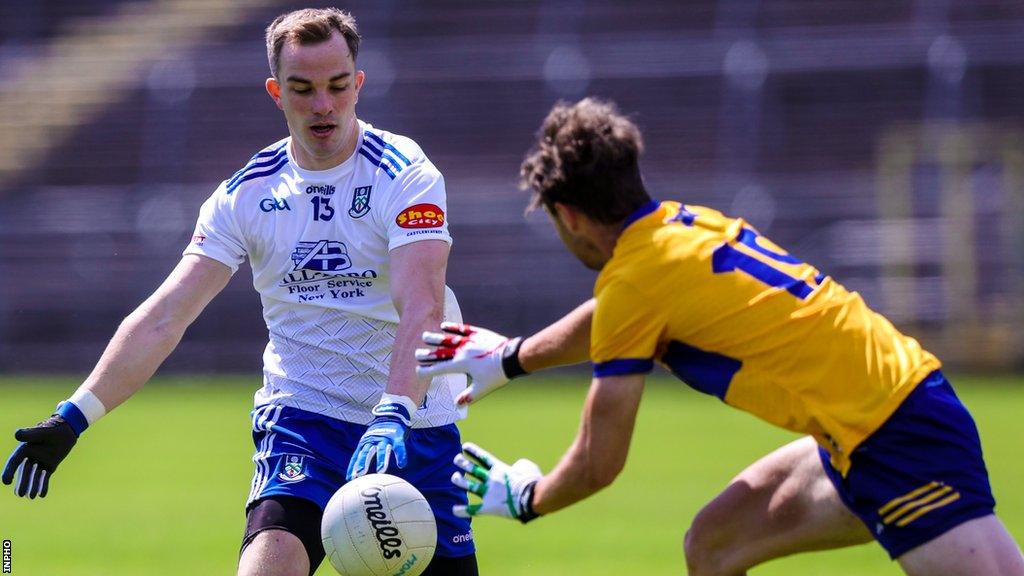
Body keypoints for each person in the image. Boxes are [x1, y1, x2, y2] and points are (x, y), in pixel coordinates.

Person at [415, 97, 1024, 575]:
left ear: (568, 216)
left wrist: (529, 496)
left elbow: (600, 463)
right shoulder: (678, 226)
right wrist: (512, 358)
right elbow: (615, 317)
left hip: (896, 435)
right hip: (864, 421)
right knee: (714, 547)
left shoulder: (636, 280)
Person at [2, 8, 478, 576]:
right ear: (277, 92)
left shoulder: (406, 175)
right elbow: (166, 317)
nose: (322, 105)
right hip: (307, 417)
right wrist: (74, 416)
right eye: (302, 89)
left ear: (359, 85)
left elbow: (421, 306)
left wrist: (394, 410)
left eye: (337, 86)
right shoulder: (245, 194)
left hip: (411, 424)